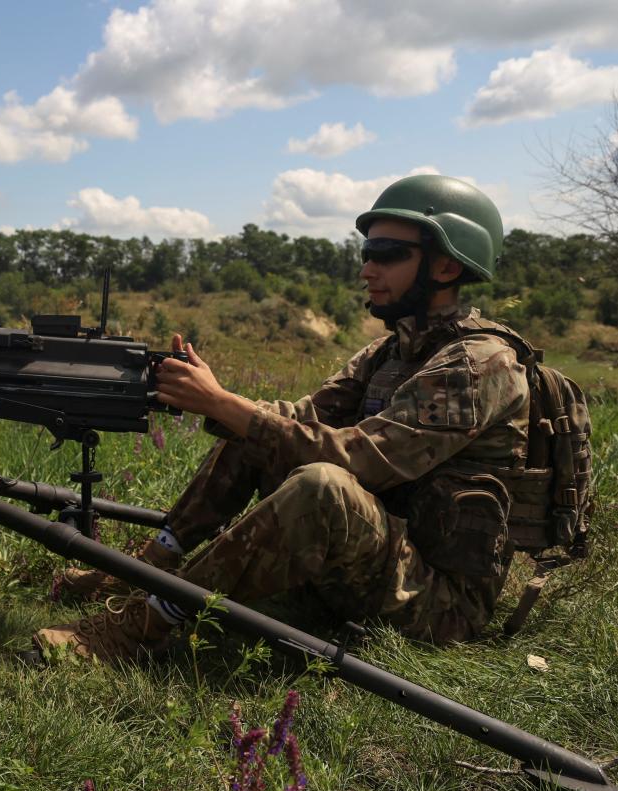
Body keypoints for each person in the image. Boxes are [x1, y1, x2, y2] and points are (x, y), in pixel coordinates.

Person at [35, 174, 531, 662]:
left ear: (446, 267)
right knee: (254, 429)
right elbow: (299, 421)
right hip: (380, 558)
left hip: (440, 603)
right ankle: (150, 565)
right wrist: (220, 400)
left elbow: (362, 462)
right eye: (366, 254)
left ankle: (144, 627)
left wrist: (223, 404)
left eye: (387, 254)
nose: (367, 270)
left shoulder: (479, 364)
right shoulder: (390, 351)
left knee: (322, 484)